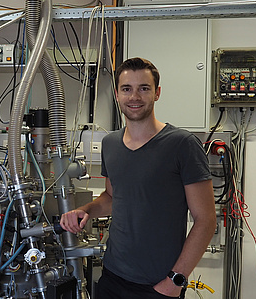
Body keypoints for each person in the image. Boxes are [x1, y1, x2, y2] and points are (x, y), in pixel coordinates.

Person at [60, 57, 217, 299]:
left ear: (157, 93)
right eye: (127, 89)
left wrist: (175, 280)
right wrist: (87, 210)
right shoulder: (111, 143)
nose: (135, 97)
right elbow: (112, 197)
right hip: (112, 277)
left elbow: (205, 220)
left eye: (144, 88)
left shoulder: (182, 144)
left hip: (159, 284)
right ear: (117, 94)